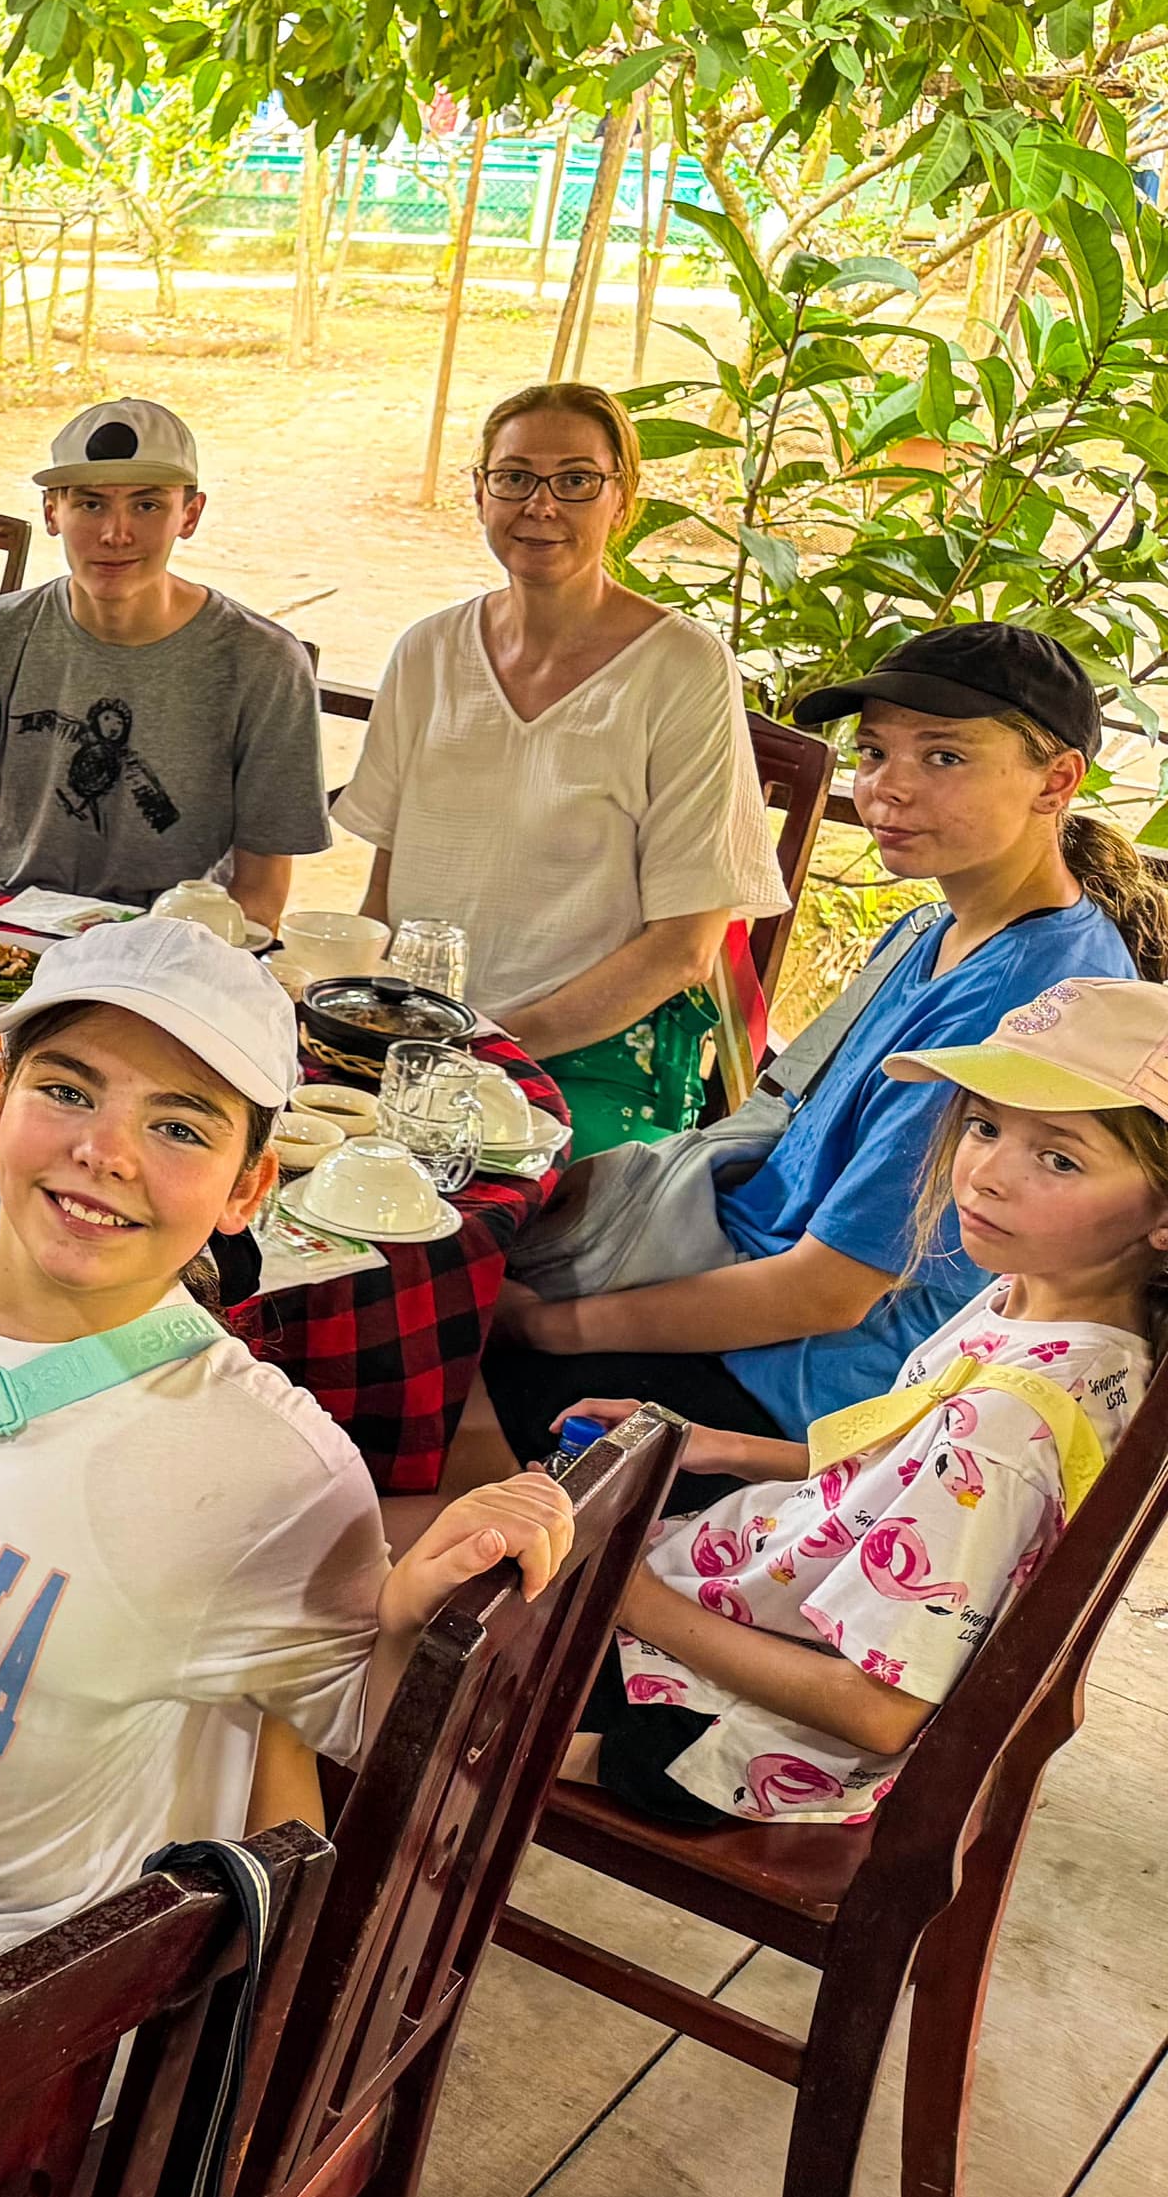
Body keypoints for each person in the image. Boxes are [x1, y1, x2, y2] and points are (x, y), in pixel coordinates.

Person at [0, 917, 576, 1949]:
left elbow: (375, 1745)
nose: (102, 1151)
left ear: (249, 1187)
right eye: (67, 1090)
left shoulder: (261, 1468)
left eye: (181, 1126)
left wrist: (409, 1620)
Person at [478, 623, 1166, 1483]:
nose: (888, 790)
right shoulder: (940, 927)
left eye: (944, 758)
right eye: (874, 753)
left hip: (810, 1389)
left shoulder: (1016, 1007)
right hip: (742, 1286)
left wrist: (547, 1326)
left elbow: (832, 1290)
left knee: (440, 1391)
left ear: (1056, 780)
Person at [550, 976, 1164, 1826]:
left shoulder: (1009, 1428)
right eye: (985, 1127)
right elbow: (903, 1458)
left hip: (755, 1734)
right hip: (769, 1590)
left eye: (1057, 1159)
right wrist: (715, 1444)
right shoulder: (1035, 1304)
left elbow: (877, 1710)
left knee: (448, 1641)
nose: (985, 1176)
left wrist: (621, 1591)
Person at [340, 382, 786, 1153]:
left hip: (588, 1053)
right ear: (480, 493)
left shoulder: (682, 668)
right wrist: (367, 1025)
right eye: (514, 477)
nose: (540, 505)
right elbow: (386, 886)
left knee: (489, 1224)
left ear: (623, 500)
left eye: (577, 480)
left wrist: (488, 1048)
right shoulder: (429, 650)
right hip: (412, 1031)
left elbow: (684, 947)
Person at [0, 398, 329, 923]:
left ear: (191, 514)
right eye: (90, 504)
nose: (116, 534)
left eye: (147, 505)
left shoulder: (263, 662)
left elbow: (262, 884)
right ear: (51, 512)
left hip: (177, 939)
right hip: (11, 923)